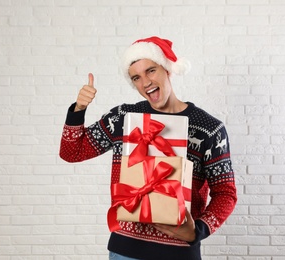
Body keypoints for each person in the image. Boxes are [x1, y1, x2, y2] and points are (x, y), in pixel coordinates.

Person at [59, 36, 237, 260]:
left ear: (167, 69)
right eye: (136, 77)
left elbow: (226, 193)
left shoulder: (209, 129)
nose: (145, 82)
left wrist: (198, 230)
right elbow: (71, 152)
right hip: (125, 252)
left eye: (151, 71)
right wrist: (79, 109)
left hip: (180, 252)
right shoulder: (123, 118)